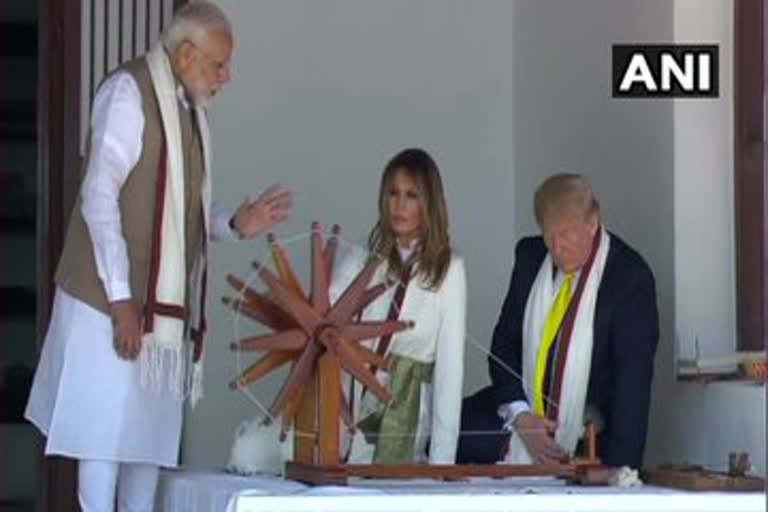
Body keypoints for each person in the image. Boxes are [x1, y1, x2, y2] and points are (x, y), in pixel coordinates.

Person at [24, 3, 292, 510]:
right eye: (219, 64)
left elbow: (181, 214)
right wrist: (122, 300)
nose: (226, 77)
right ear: (187, 54)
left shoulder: (188, 110)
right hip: (105, 303)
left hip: (159, 316)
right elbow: (99, 198)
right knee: (101, 444)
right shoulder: (128, 94)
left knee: (144, 448)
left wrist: (237, 224)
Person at [457, 173, 658, 469]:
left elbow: (632, 392)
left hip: (586, 433)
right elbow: (503, 345)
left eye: (566, 233)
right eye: (549, 234)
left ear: (593, 223)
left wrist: (620, 479)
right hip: (522, 418)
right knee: (444, 432)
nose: (557, 246)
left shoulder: (629, 278)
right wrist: (521, 416)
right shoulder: (530, 257)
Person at [330, 148, 466, 464]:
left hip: (405, 409)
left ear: (429, 203)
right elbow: (325, 315)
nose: (400, 206)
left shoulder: (449, 269)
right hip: (350, 401)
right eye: (393, 194)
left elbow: (450, 370)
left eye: (412, 196)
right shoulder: (362, 256)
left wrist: (442, 462)